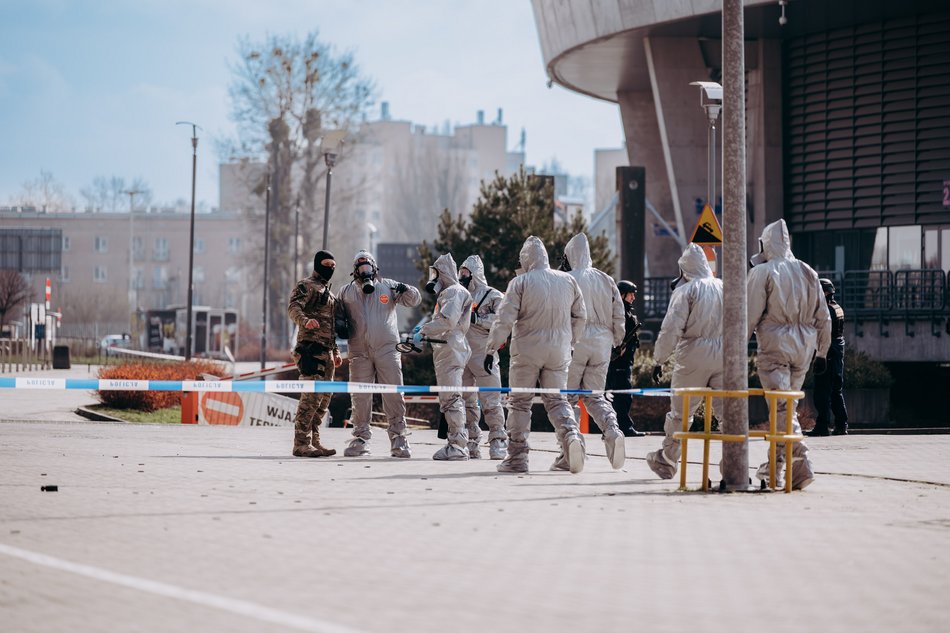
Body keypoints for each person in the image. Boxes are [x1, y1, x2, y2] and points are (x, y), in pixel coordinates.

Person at [486, 235, 587, 474]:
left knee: (520, 404)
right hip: (559, 351)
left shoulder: (520, 283)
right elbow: (581, 315)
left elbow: (504, 319)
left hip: (527, 352)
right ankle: (571, 438)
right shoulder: (568, 280)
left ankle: (517, 457)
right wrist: (571, 340)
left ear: (526, 258)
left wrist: (491, 347)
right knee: (557, 400)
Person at [747, 219, 831, 490]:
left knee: (781, 408)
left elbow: (748, 316)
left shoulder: (763, 272)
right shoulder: (808, 271)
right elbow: (824, 316)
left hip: (774, 346)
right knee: (787, 408)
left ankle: (802, 460)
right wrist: (823, 352)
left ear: (765, 244)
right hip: (805, 348)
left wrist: (735, 349)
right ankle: (776, 467)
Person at [646, 243, 723, 480]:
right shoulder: (725, 287)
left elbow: (671, 329)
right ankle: (733, 463)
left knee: (681, 411)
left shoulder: (686, 291)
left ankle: (668, 459)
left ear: (684, 269)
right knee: (729, 411)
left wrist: (659, 359)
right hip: (725, 354)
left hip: (693, 355)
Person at [338, 249, 422, 458]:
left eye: (368, 266)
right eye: (360, 267)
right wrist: (338, 324)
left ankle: (399, 438)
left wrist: (406, 289)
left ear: (375, 268)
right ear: (354, 270)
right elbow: (336, 315)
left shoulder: (388, 286)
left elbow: (414, 300)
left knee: (393, 393)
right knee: (360, 396)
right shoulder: (346, 292)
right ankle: (360, 438)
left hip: (387, 350)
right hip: (359, 351)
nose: (365, 271)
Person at [554, 233, 627, 471]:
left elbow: (560, 314)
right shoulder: (606, 279)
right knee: (596, 396)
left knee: (568, 398)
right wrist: (617, 340)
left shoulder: (565, 279)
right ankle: (613, 431)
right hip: (602, 344)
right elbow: (619, 313)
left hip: (575, 341)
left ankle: (570, 450)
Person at [417, 253, 473, 460]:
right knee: (449, 397)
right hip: (447, 348)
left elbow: (447, 321)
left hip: (451, 348)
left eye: (436, 273)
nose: (434, 278)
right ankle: (458, 442)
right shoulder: (451, 293)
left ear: (443, 273)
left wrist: (422, 330)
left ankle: (458, 445)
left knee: (451, 398)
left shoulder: (453, 292)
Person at [287, 250, 343, 458]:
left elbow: (331, 328)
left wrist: (336, 352)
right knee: (310, 398)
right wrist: (305, 320)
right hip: (310, 350)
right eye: (327, 264)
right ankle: (301, 443)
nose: (330, 269)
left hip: (327, 354)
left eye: (333, 266)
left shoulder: (330, 295)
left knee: (322, 401)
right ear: (318, 264)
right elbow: (293, 308)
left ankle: (315, 441)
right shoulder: (306, 286)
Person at [458, 255, 508, 459]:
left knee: (492, 400)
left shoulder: (492, 295)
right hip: (462, 354)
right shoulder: (459, 295)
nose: (461, 277)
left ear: (475, 274)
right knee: (466, 401)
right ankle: (471, 441)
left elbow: (503, 320)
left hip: (485, 354)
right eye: (460, 273)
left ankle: (497, 441)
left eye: (465, 273)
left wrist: (477, 318)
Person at [808, 278, 848, 436]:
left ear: (824, 291)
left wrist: (820, 355)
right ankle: (841, 424)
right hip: (838, 350)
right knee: (835, 391)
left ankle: (822, 426)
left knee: (822, 391)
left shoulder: (826, 310)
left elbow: (822, 333)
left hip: (828, 351)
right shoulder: (837, 307)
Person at [607, 280, 646, 437]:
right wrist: (617, 348)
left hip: (625, 360)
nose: (633, 298)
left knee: (622, 395)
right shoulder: (620, 312)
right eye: (631, 294)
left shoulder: (626, 311)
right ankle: (623, 427)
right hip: (619, 361)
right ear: (622, 295)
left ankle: (616, 427)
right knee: (622, 396)